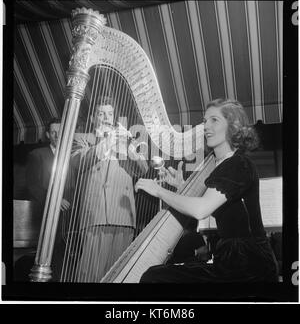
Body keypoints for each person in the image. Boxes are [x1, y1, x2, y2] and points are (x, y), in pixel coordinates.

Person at [135, 98, 279, 283]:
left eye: (214, 120)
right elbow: (216, 201)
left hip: (250, 265)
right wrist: (181, 185)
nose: (206, 126)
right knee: (157, 274)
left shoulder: (238, 163)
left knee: (155, 277)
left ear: (233, 127)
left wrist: (159, 191)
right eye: (204, 121)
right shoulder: (220, 164)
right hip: (231, 259)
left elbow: (201, 209)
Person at [72, 96, 148, 282]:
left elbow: (143, 170)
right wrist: (106, 142)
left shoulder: (126, 140)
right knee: (92, 274)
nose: (106, 118)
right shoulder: (82, 139)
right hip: (97, 215)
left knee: (120, 274)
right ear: (92, 118)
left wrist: (130, 149)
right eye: (101, 113)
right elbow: (77, 162)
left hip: (124, 215)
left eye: (110, 113)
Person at [22, 118, 72, 281]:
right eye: (54, 132)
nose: (58, 135)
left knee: (65, 257)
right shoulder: (37, 155)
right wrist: (55, 201)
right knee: (48, 257)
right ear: (48, 135)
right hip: (46, 215)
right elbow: (33, 185)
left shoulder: (73, 156)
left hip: (69, 217)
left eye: (60, 132)